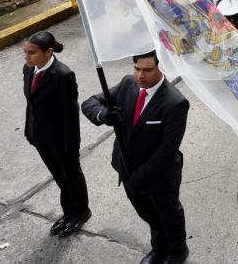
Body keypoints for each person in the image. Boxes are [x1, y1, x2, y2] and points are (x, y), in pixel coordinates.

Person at [81, 50, 190, 264]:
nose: (140, 76)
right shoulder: (127, 85)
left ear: (162, 68)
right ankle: (159, 248)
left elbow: (167, 150)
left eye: (147, 70)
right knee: (149, 214)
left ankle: (178, 251)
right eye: (137, 69)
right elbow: (90, 103)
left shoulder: (175, 102)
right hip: (127, 169)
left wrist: (139, 178)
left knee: (169, 214)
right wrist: (103, 115)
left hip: (159, 174)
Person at [22, 31, 90, 237]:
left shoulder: (62, 75)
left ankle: (81, 212)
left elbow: (70, 115)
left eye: (32, 53)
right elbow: (31, 104)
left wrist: (71, 147)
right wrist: (29, 130)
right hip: (40, 136)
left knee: (71, 175)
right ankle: (69, 211)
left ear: (48, 52)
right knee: (59, 176)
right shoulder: (29, 69)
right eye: (25, 52)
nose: (27, 57)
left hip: (60, 140)